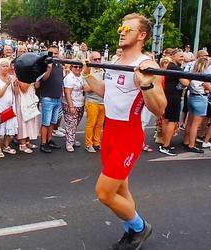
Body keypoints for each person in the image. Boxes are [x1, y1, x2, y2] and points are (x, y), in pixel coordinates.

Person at [82, 13, 167, 250]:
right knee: (120, 189)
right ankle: (131, 231)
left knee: (104, 193)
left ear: (141, 35)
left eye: (127, 29)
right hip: (109, 131)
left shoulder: (147, 65)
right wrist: (88, 74)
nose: (121, 31)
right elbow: (106, 92)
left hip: (128, 135)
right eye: (121, 27)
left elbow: (160, 109)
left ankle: (140, 227)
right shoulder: (115, 61)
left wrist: (147, 83)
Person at [0, 58, 19, 158]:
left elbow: (16, 93)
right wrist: (7, 84)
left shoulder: (12, 77)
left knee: (10, 128)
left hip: (10, 107)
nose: (5, 67)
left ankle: (6, 146)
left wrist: (15, 84)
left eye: (7, 65)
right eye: (3, 66)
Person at [38, 45, 63, 153]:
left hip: (57, 98)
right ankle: (43, 143)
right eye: (51, 53)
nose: (54, 55)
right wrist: (48, 67)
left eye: (56, 53)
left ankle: (49, 140)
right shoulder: (44, 65)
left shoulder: (59, 65)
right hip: (47, 98)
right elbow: (44, 78)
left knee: (53, 122)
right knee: (45, 123)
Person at [62, 63, 89, 152]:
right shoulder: (69, 78)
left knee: (75, 124)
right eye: (75, 66)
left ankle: (72, 139)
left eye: (80, 67)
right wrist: (71, 106)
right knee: (71, 124)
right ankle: (69, 143)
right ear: (71, 67)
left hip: (80, 103)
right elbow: (67, 93)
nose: (78, 68)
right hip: (71, 104)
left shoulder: (82, 76)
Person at [84, 51, 105, 153]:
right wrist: (99, 84)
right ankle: (88, 144)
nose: (97, 61)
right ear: (91, 60)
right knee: (90, 124)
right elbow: (86, 88)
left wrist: (97, 84)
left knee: (99, 125)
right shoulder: (89, 71)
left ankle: (96, 143)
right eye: (95, 59)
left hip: (102, 102)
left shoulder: (104, 70)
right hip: (92, 101)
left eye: (99, 59)